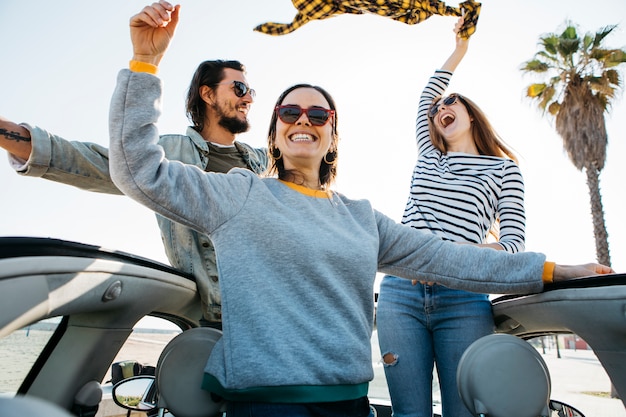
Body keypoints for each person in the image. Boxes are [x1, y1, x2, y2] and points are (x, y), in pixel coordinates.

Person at [107, 3, 613, 416]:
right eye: (288, 111)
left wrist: (556, 270)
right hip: (264, 405)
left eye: (318, 113)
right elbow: (139, 171)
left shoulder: (361, 218)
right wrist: (144, 63)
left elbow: (454, 260)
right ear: (275, 135)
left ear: (331, 138)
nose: (302, 119)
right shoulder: (237, 193)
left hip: (348, 407)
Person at [0, 1, 267, 329]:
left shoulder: (265, 163)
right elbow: (85, 161)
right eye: (239, 88)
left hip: (274, 316)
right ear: (208, 95)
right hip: (217, 325)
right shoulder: (167, 154)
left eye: (250, 90)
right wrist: (145, 60)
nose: (249, 98)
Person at [375, 18, 523, 417]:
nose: (442, 108)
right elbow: (427, 94)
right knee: (410, 414)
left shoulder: (504, 170)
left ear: (470, 115)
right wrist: (459, 50)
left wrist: (457, 253)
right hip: (399, 294)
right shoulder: (429, 154)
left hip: (464, 295)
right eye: (439, 107)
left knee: (464, 412)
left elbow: (513, 245)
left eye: (451, 102)